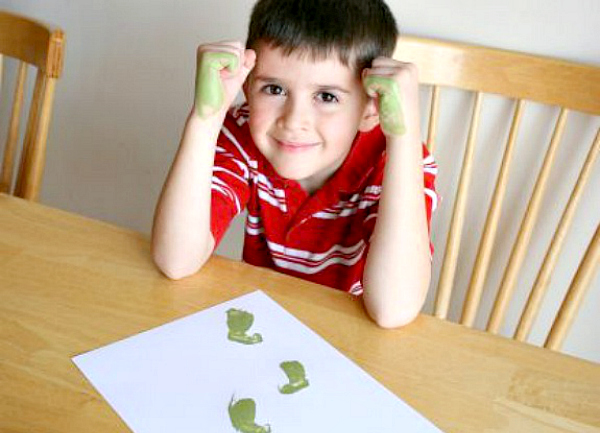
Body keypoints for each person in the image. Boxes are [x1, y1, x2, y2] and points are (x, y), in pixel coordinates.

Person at [152, 0, 439, 328]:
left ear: (371, 108)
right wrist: (205, 118)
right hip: (267, 327)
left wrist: (404, 137)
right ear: (247, 86)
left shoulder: (398, 164)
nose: (294, 121)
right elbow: (175, 261)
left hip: (351, 342)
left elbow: (393, 310)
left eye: (327, 96)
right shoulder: (243, 135)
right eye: (274, 89)